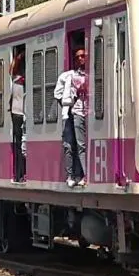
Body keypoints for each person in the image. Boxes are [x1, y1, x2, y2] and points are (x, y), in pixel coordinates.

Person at [54, 47, 88, 188]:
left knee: (81, 145)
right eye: (77, 57)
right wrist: (67, 106)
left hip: (85, 112)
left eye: (83, 56)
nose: (80, 59)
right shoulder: (67, 76)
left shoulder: (90, 75)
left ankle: (82, 174)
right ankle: (71, 175)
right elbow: (58, 94)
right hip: (71, 113)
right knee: (69, 145)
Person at [8, 50, 26, 183]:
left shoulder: (19, 79)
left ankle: (21, 173)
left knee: (21, 145)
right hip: (18, 113)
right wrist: (19, 57)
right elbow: (12, 70)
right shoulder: (18, 78)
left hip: (22, 113)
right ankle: (20, 173)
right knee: (20, 145)